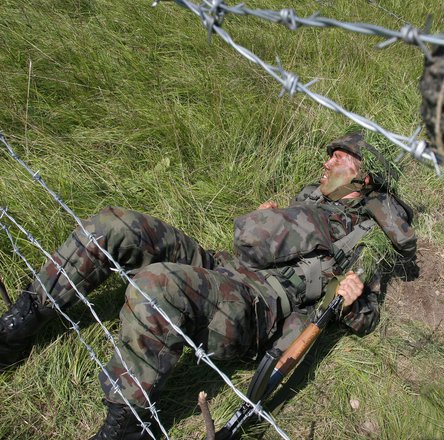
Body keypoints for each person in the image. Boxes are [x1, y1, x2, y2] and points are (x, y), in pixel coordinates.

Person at [0, 132, 416, 439]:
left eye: (338, 159)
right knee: (114, 227)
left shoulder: (367, 239)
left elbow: (365, 318)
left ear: (362, 178)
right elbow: (256, 242)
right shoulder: (314, 198)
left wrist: (351, 300)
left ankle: (128, 422)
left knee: (156, 286)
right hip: (222, 266)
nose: (325, 163)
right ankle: (21, 323)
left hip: (256, 308)